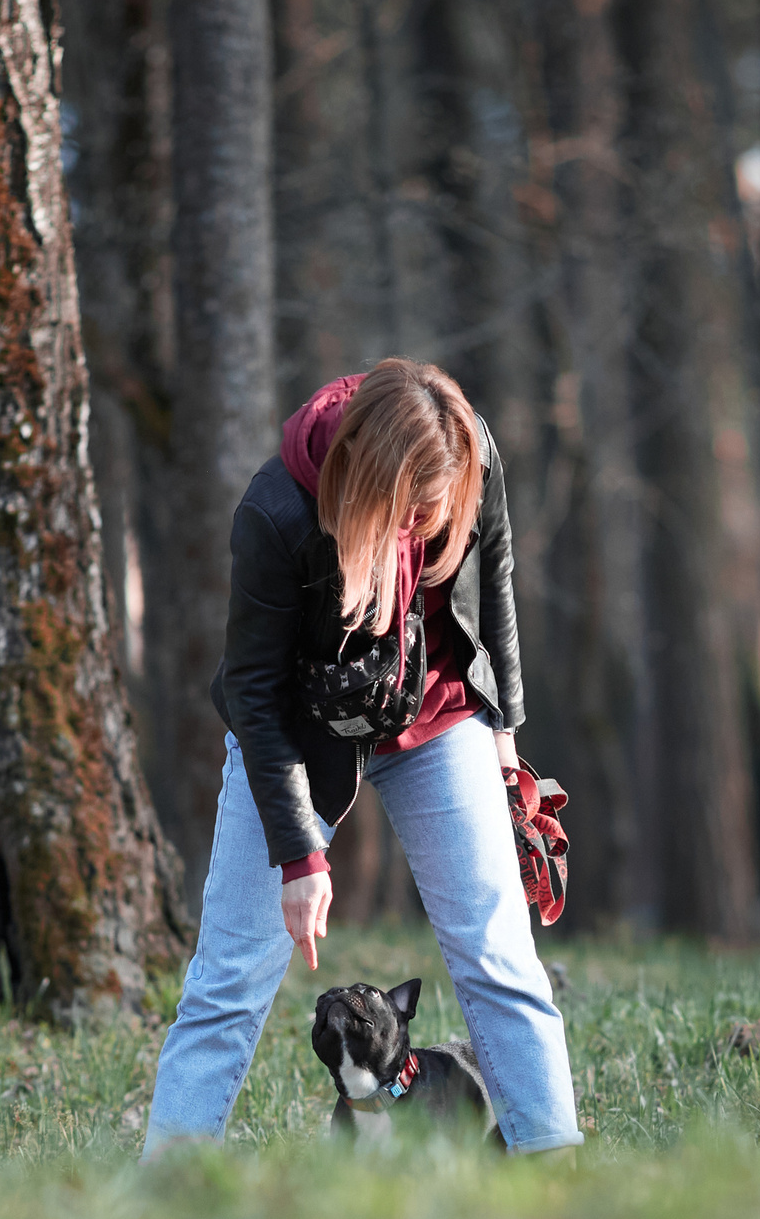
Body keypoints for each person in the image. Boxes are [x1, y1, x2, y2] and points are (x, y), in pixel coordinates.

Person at [142, 359, 584, 1157]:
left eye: (439, 515)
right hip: (298, 738)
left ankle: (552, 1169)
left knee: (499, 949)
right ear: (370, 486)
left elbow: (496, 589)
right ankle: (167, 1193)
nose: (426, 529)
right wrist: (298, 854)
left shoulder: (468, 452)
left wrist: (506, 745)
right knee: (227, 983)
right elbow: (253, 691)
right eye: (412, 514)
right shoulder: (276, 514)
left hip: (440, 717)